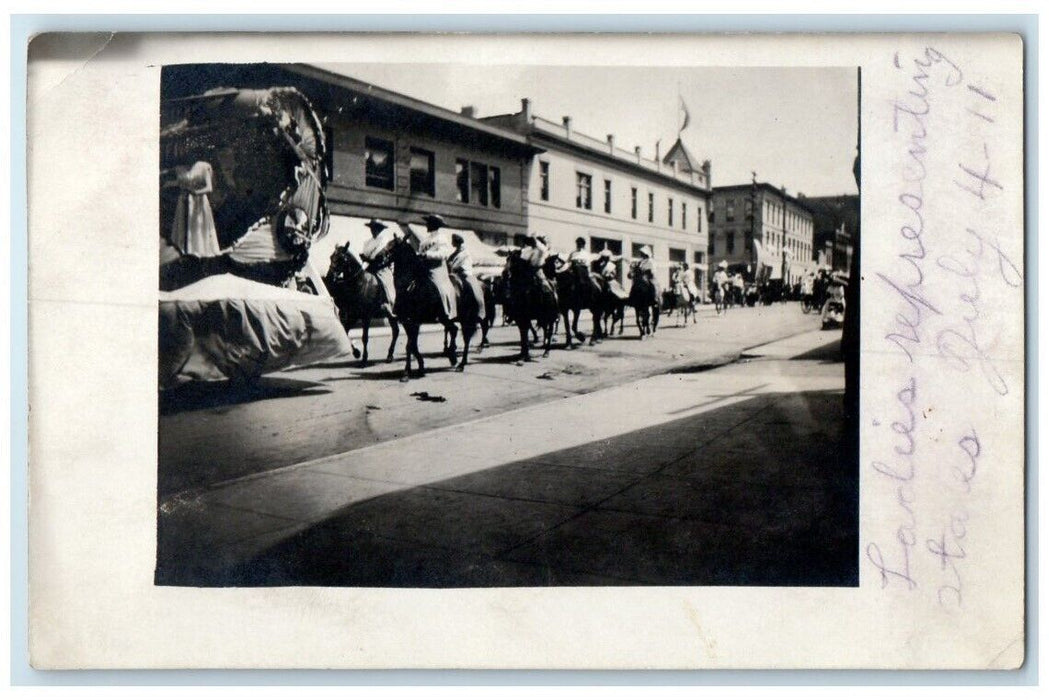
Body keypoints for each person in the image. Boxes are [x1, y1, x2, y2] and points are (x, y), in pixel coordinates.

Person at [417, 214, 458, 321]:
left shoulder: (442, 238)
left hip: (437, 268)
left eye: (428, 223)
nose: (426, 225)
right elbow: (421, 252)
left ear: (434, 224)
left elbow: (444, 254)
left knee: (439, 287)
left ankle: (444, 310)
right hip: (424, 267)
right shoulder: (425, 240)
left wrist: (428, 255)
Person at [359, 219, 397, 317]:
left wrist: (369, 258)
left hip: (381, 267)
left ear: (380, 229)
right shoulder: (367, 242)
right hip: (370, 266)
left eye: (375, 228)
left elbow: (380, 254)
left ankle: (389, 304)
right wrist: (365, 257)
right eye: (372, 228)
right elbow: (365, 253)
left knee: (385, 283)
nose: (373, 230)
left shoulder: (384, 239)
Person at [448, 232, 487, 321]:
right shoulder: (454, 253)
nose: (452, 243)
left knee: (474, 288)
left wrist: (452, 266)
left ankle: (480, 310)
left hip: (465, 273)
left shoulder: (465, 253)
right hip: (455, 274)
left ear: (457, 242)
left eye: (453, 241)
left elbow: (456, 265)